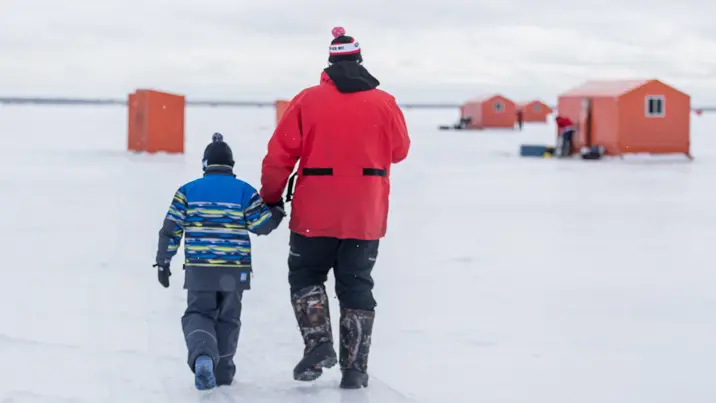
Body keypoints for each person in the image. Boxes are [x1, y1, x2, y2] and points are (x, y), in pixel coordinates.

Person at [259, 26, 410, 389]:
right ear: (359, 61)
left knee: (307, 275)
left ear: (328, 63)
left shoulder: (307, 100)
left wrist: (270, 197)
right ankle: (355, 370)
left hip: (315, 212)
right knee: (357, 284)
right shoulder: (384, 102)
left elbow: (280, 157)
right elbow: (400, 151)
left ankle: (319, 343)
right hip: (364, 213)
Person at [153, 133, 284, 390]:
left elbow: (170, 230)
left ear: (204, 164)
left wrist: (163, 262)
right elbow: (261, 226)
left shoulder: (187, 191)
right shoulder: (244, 191)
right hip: (236, 271)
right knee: (229, 319)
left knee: (199, 313)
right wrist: (277, 211)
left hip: (200, 269)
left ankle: (203, 356)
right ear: (231, 165)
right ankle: (223, 372)